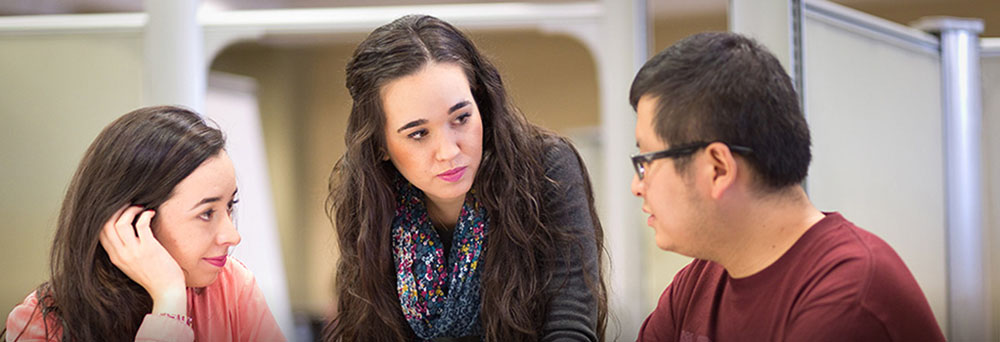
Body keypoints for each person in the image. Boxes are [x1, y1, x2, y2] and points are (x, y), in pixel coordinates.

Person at [628, 32, 944, 341]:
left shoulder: (848, 295)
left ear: (718, 169)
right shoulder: (698, 284)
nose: (636, 186)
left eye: (646, 162)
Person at [324, 14, 607, 341]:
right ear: (381, 145)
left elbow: (569, 329)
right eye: (418, 134)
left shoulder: (546, 168)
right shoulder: (368, 196)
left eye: (461, 118)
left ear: (482, 105)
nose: (448, 151)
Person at [4, 106, 285, 342]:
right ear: (132, 221)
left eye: (229, 206)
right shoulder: (41, 323)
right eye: (206, 213)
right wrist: (169, 301)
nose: (232, 235)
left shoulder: (232, 287)